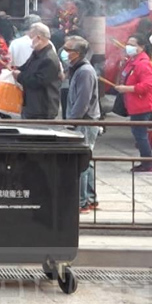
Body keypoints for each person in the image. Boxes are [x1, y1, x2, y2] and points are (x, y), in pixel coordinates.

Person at [62, 35, 100, 212]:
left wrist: (72, 121)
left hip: (84, 121)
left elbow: (82, 101)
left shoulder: (85, 71)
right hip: (84, 121)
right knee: (87, 161)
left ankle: (81, 201)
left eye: (67, 49)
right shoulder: (77, 69)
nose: (64, 52)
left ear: (77, 53)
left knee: (81, 162)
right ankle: (91, 198)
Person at [115, 34, 152, 173]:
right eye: (128, 43)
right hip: (133, 104)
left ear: (141, 47)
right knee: (139, 134)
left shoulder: (143, 63)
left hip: (141, 105)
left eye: (132, 45)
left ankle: (147, 163)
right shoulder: (131, 61)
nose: (128, 47)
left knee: (140, 135)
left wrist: (127, 89)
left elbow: (148, 85)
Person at [14, 23, 61, 120]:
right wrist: (15, 68)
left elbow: (38, 81)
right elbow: (26, 68)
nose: (29, 41)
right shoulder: (36, 53)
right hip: (31, 104)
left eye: (31, 38)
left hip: (42, 108)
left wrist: (19, 76)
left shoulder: (49, 58)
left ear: (39, 38)